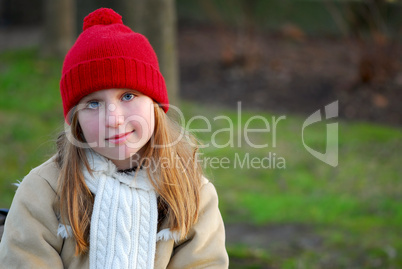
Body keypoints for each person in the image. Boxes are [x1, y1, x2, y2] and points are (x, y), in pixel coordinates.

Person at [0, 8, 229, 269]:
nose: (113, 118)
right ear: (76, 121)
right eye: (93, 103)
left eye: (128, 96)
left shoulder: (192, 192)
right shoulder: (43, 191)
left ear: (154, 104)